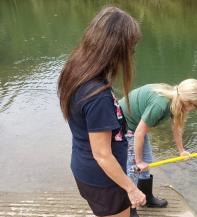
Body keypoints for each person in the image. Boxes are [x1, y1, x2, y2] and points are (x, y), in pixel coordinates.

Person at [57, 6, 146, 217]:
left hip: (87, 170)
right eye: (130, 48)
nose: (131, 53)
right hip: (104, 182)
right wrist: (131, 189)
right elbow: (102, 155)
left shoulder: (75, 71)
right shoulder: (97, 95)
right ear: (115, 49)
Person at [119, 78, 197, 217]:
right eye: (195, 106)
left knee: (147, 160)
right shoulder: (160, 104)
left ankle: (146, 198)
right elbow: (139, 133)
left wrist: (181, 151)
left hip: (137, 126)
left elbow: (177, 128)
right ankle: (130, 207)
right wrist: (138, 161)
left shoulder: (176, 100)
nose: (194, 110)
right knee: (134, 167)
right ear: (188, 101)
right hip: (125, 125)